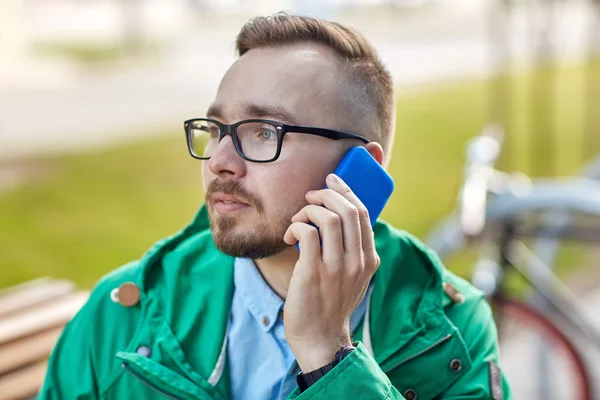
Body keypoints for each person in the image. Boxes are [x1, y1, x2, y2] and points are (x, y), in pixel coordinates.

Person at [39, 12, 511, 400]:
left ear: (359, 169)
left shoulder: (452, 330)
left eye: (265, 132)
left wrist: (329, 355)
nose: (220, 162)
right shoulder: (121, 311)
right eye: (217, 128)